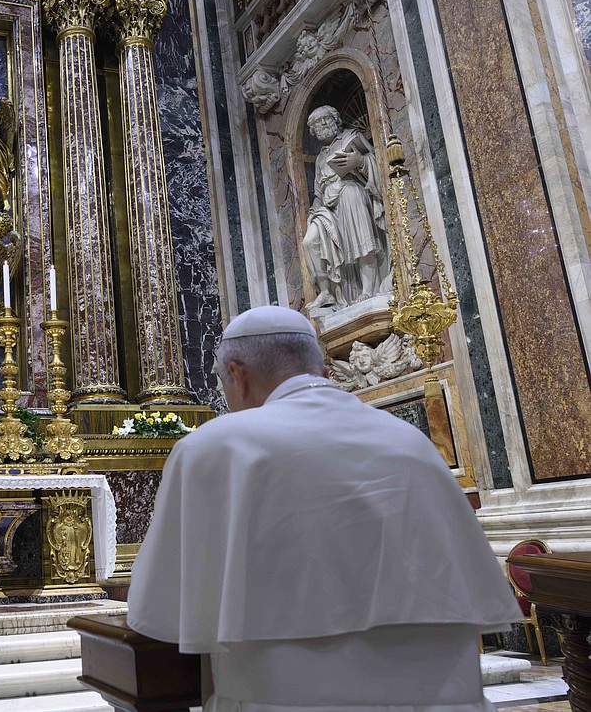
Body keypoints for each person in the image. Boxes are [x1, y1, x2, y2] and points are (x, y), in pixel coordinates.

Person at [127, 305, 522, 712]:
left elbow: (155, 611)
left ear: (239, 375)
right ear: (325, 371)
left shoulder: (214, 448)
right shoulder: (410, 441)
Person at [302, 105, 388, 310]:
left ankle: (369, 289)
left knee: (361, 239)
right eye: (316, 123)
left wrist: (359, 161)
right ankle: (326, 291)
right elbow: (318, 193)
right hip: (329, 208)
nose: (322, 124)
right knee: (309, 241)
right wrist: (313, 213)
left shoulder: (351, 137)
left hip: (351, 192)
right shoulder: (321, 157)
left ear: (335, 119)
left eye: (325, 119)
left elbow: (377, 162)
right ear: (313, 132)